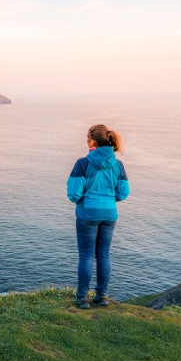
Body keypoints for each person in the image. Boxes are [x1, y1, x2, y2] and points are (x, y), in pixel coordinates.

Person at [66, 124, 130, 309]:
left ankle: (82, 298)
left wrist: (86, 197)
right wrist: (109, 198)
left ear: (92, 141)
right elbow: (123, 193)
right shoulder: (118, 164)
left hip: (87, 213)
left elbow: (74, 194)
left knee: (86, 256)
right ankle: (101, 296)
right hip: (109, 213)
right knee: (104, 255)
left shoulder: (83, 163)